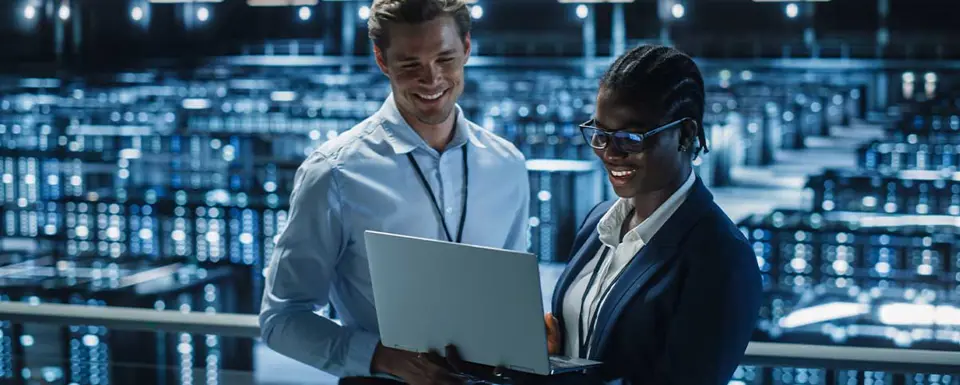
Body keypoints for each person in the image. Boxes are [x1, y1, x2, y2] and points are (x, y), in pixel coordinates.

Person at [446, 44, 762, 385]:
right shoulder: (598, 224)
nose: (610, 153)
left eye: (630, 137)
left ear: (685, 134)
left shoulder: (720, 257)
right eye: (600, 134)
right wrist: (534, 356)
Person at [257, 0, 531, 384]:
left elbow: (512, 303)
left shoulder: (508, 165)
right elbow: (280, 319)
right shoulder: (335, 172)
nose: (431, 78)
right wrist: (384, 358)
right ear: (382, 61)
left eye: (445, 58)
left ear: (467, 48)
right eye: (410, 65)